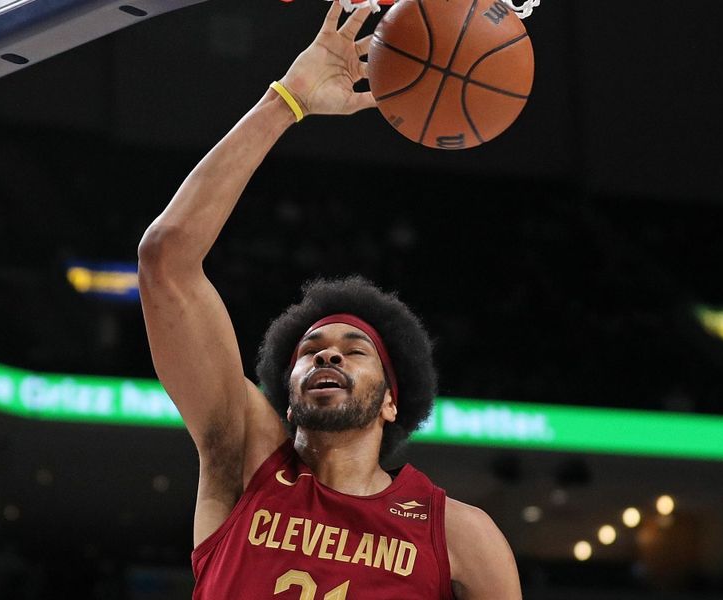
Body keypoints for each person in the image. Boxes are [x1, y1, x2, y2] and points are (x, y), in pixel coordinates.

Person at [136, 2, 522, 598]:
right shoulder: (244, 464)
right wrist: (285, 102)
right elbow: (166, 260)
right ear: (287, 399)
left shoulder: (459, 536)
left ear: (393, 401)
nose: (327, 356)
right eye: (311, 349)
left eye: (353, 349)